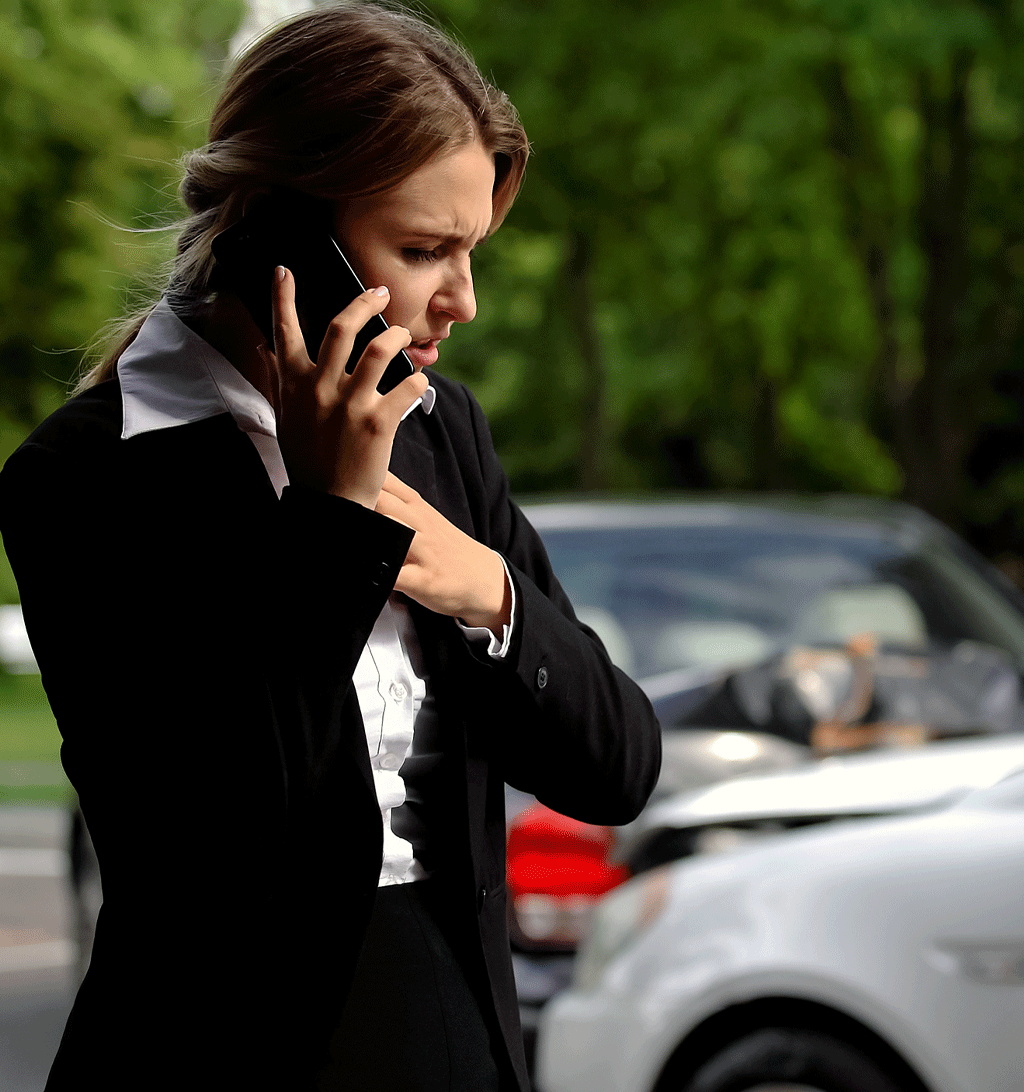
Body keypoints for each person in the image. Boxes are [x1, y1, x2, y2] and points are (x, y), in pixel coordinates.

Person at [0, 5, 660, 1091]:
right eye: (423, 249)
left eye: (471, 250)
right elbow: (221, 845)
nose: (465, 300)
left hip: (459, 1041)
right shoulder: (88, 478)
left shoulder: (442, 431)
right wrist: (336, 518)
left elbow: (618, 764)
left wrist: (487, 590)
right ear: (281, 238)